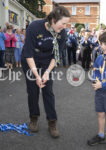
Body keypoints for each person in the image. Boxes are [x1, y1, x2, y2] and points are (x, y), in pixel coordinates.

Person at [21, 3, 70, 138]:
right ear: (53, 20)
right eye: (63, 23)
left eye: (66, 24)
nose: (65, 27)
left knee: (48, 90)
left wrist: (47, 72)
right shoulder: (34, 27)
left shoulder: (62, 33)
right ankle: (34, 119)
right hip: (31, 60)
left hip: (47, 61)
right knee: (33, 90)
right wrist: (37, 75)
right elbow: (28, 54)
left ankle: (52, 122)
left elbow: (56, 56)